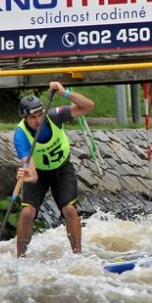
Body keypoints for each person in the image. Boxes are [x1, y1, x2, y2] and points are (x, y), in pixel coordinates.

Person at [13, 82, 95, 257]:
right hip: (40, 173)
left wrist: (66, 93)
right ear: (24, 118)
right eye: (32, 117)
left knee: (69, 209)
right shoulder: (21, 135)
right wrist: (28, 176)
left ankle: (78, 256)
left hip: (62, 169)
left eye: (39, 115)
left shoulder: (55, 116)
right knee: (27, 213)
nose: (38, 120)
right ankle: (20, 258)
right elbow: (33, 175)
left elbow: (88, 106)